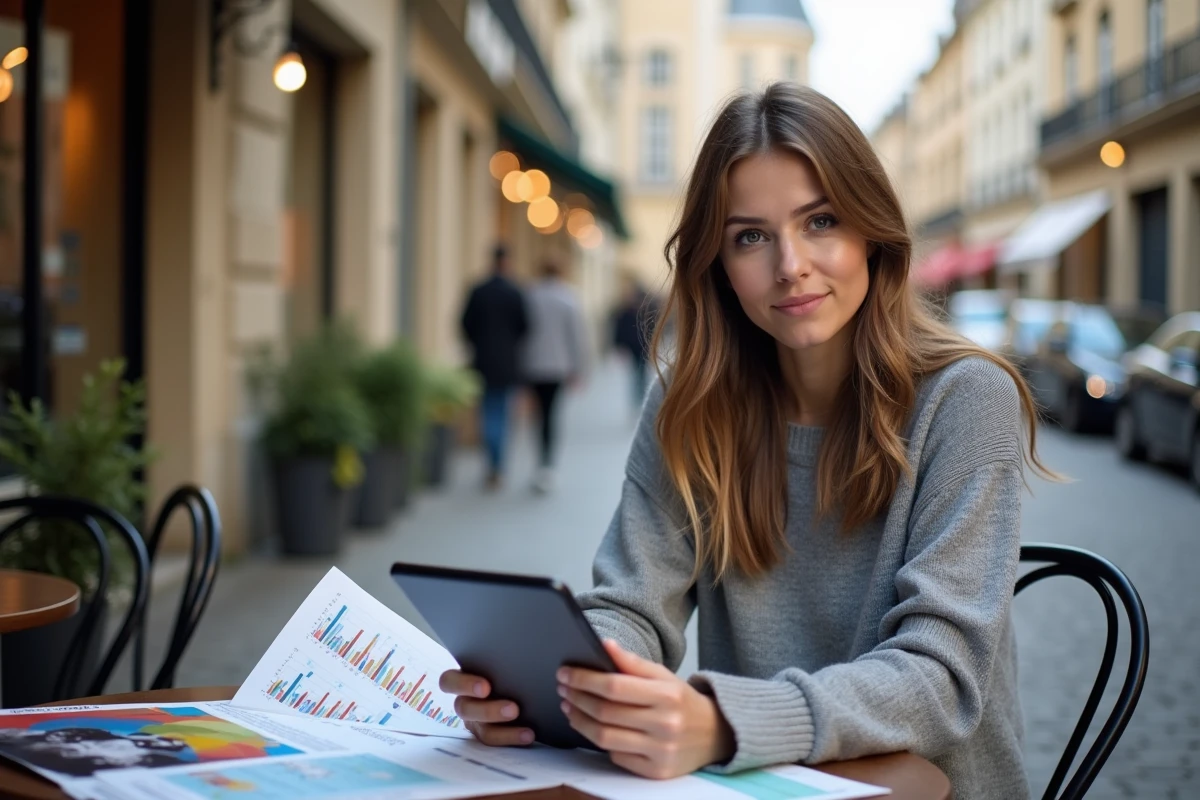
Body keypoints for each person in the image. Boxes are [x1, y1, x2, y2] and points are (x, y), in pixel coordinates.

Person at [440, 83, 1053, 798]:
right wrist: (562, 682)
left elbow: (941, 676)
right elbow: (632, 605)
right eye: (751, 236)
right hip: (748, 783)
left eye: (820, 220)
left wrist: (728, 723)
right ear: (719, 266)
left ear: (871, 230)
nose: (789, 264)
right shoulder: (693, 402)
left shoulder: (964, 398)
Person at [461, 244, 530, 490]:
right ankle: (498, 465)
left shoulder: (478, 291)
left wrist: (478, 343)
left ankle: (492, 463)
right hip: (507, 361)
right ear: (507, 262)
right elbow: (526, 327)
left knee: (487, 410)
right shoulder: (515, 292)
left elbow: (465, 324)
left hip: (482, 360)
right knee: (501, 411)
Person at [520, 260, 589, 494]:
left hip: (532, 365)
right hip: (559, 367)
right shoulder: (568, 298)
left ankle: (540, 461)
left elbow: (521, 332)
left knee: (536, 415)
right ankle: (547, 465)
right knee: (551, 415)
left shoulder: (530, 296)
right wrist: (579, 369)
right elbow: (576, 337)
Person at [610, 274, 659, 415]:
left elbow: (652, 327)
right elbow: (620, 328)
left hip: (641, 345)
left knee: (640, 373)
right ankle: (640, 400)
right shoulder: (632, 310)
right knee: (638, 373)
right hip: (638, 345)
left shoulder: (643, 309)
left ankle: (642, 399)